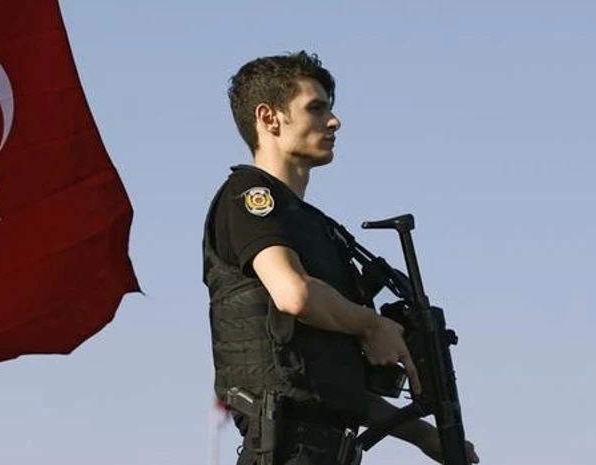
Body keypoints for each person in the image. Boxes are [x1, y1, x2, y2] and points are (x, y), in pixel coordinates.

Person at [201, 51, 480, 465]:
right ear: (269, 118)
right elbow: (292, 294)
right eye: (315, 108)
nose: (334, 121)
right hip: (285, 449)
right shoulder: (249, 196)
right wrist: (372, 324)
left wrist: (425, 436)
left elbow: (332, 388)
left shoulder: (318, 229)